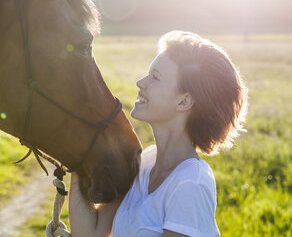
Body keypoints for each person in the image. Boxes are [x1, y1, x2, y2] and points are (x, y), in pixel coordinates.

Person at [69, 30, 248, 237]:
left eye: (155, 77)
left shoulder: (190, 184)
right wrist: (77, 159)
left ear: (184, 101)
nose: (141, 82)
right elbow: (89, 233)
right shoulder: (143, 162)